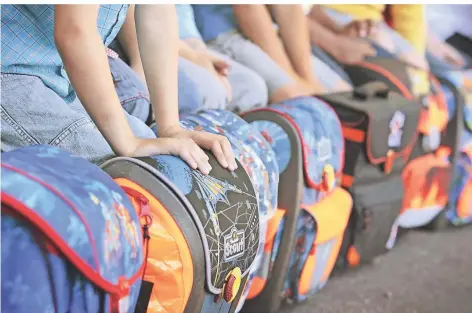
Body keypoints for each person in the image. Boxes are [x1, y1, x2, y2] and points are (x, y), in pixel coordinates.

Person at [1, 4, 236, 175]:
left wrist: (171, 127)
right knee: (136, 170)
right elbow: (74, 31)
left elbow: (156, 13)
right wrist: (129, 145)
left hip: (56, 76)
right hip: (10, 74)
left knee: (166, 158)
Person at [192, 4, 352, 104]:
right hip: (218, 32)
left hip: (264, 27)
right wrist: (295, 80)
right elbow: (247, 8)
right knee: (301, 99)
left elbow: (289, 8)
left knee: (344, 96)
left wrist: (309, 79)